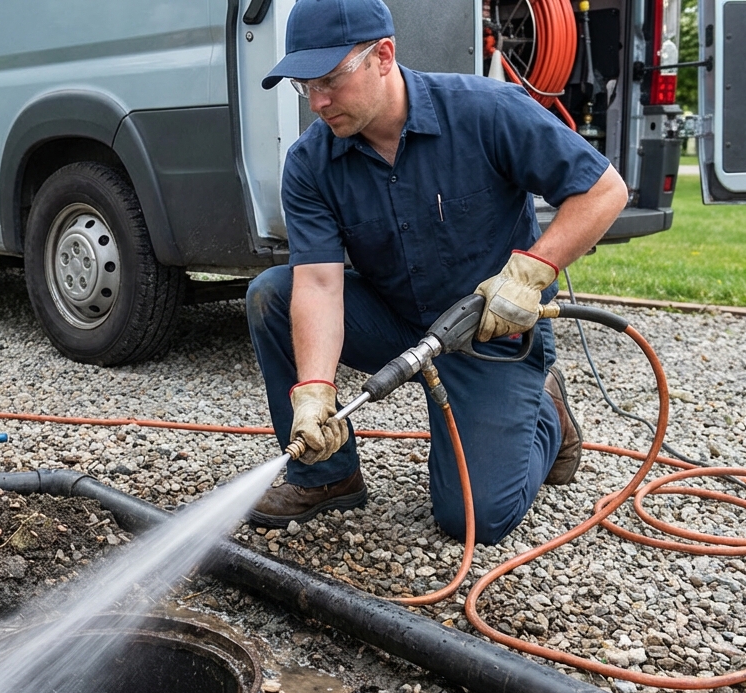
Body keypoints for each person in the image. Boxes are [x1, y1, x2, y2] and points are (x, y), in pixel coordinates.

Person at [246, 0, 628, 544]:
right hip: (398, 321)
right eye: (304, 85)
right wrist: (313, 390)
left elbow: (603, 190)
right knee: (272, 295)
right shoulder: (311, 163)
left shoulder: (486, 111)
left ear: (383, 56)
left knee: (474, 519)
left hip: (490, 333)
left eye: (330, 79)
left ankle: (546, 413)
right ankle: (326, 475)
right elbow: (319, 282)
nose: (318, 101)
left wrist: (531, 272)